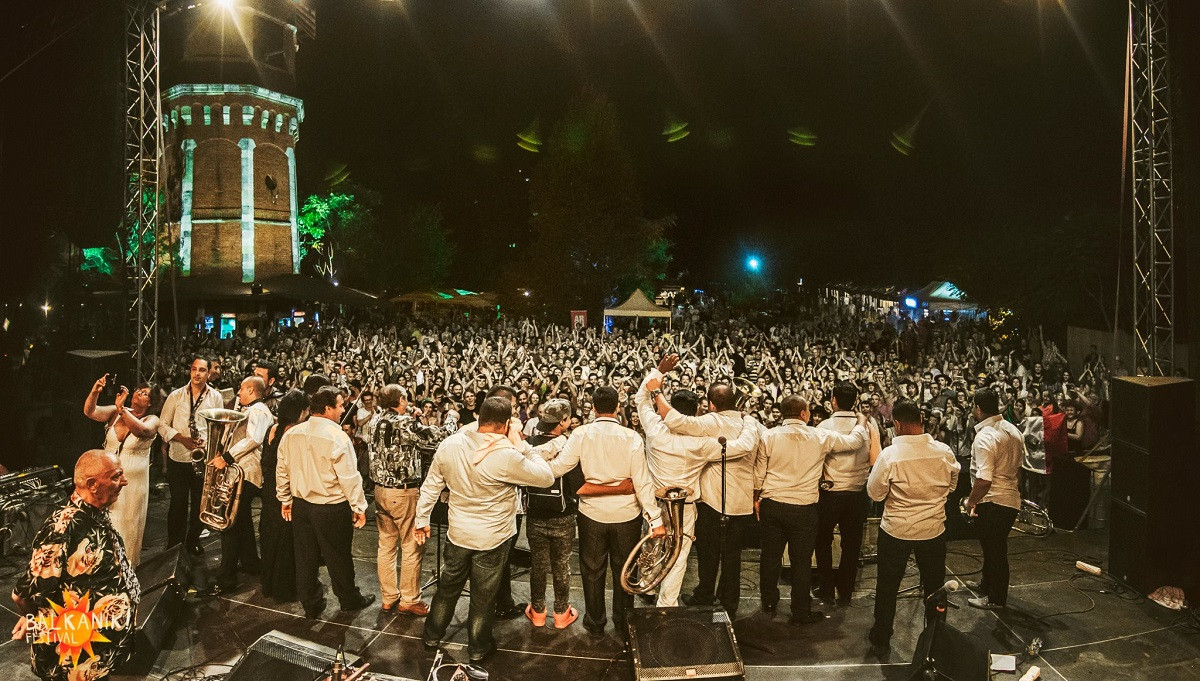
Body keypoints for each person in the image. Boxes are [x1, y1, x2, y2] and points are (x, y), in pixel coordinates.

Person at [414, 397, 556, 663]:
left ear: (479, 417)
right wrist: (523, 444)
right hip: (492, 537)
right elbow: (546, 477)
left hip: (458, 532)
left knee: (447, 588)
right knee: (483, 597)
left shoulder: (451, 444)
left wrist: (421, 518)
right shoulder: (506, 454)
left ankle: (432, 636)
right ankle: (478, 648)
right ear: (505, 425)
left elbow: (432, 485)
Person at [637, 356, 761, 608]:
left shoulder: (655, 431)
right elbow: (742, 447)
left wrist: (658, 372)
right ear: (696, 413)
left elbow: (641, 400)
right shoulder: (702, 444)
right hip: (685, 507)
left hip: (656, 503)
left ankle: (646, 587)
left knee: (652, 546)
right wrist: (747, 421)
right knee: (678, 555)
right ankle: (666, 604)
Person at [545, 386, 664, 640]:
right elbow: (642, 482)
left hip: (592, 515)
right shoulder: (631, 437)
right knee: (625, 570)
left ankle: (595, 622)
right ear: (618, 407)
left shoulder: (581, 433)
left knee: (592, 569)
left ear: (594, 408)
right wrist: (655, 518)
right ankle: (623, 623)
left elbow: (558, 468)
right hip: (626, 515)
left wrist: (533, 458)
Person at [10, 450, 140, 681]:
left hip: (101, 653)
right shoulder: (62, 529)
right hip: (75, 661)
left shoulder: (95, 512)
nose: (124, 481)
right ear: (92, 485)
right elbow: (22, 595)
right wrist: (37, 619)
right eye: (116, 476)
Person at [755, 395, 869, 625]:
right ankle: (800, 611)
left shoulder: (768, 436)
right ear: (805, 414)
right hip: (804, 507)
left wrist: (756, 498)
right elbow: (854, 442)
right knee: (801, 561)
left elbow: (759, 473)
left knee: (770, 557)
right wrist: (862, 421)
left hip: (773, 504)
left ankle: (768, 602)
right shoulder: (819, 435)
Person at [866, 400, 960, 652]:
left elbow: (875, 494)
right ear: (920, 419)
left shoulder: (890, 455)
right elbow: (952, 487)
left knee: (888, 585)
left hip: (897, 529)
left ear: (897, 424)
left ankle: (882, 635)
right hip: (932, 529)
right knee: (935, 586)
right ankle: (935, 637)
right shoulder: (944, 451)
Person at [277, 386, 375, 618]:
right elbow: (349, 477)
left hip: (301, 505)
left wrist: (285, 499)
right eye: (341, 405)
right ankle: (349, 599)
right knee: (338, 556)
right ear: (328, 408)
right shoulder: (337, 436)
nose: (343, 410)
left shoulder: (292, 433)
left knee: (305, 558)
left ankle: (310, 603)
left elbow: (282, 470)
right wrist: (359, 507)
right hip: (331, 507)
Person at [660, 379, 753, 617]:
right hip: (741, 500)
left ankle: (704, 595)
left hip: (713, 499)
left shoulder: (709, 421)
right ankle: (729, 604)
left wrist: (656, 393)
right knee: (733, 555)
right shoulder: (751, 425)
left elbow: (676, 421)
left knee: (708, 552)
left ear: (711, 404)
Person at [368, 384, 451, 615]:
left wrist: (414, 418)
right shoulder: (403, 423)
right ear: (399, 401)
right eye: (405, 398)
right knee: (412, 545)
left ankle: (388, 597)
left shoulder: (375, 421)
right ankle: (409, 599)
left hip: (380, 491)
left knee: (386, 546)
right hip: (402, 493)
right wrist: (451, 419)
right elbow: (439, 438)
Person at [203, 376, 274, 596]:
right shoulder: (250, 409)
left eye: (242, 389)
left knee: (229, 525)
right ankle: (252, 563)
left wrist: (226, 457)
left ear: (251, 389)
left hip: (247, 473)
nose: (239, 393)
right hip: (240, 471)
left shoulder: (259, 410)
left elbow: (253, 439)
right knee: (241, 521)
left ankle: (226, 579)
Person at [814, 382, 880, 606]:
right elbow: (874, 460)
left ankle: (826, 588)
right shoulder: (869, 425)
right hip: (857, 493)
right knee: (851, 545)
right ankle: (845, 590)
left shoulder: (823, 425)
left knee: (822, 540)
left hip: (830, 492)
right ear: (855, 400)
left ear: (833, 400)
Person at [85, 375, 159, 567]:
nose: (138, 394)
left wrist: (122, 410)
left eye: (145, 394)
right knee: (107, 519)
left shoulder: (153, 419)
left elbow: (142, 431)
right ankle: (104, 565)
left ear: (151, 403)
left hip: (133, 482)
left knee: (128, 523)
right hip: (108, 476)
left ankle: (126, 568)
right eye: (138, 390)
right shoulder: (114, 412)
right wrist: (95, 391)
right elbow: (90, 412)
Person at [522, 399, 583, 629]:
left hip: (536, 514)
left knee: (537, 565)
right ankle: (561, 613)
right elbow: (577, 483)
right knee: (561, 565)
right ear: (564, 421)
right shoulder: (569, 446)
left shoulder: (528, 444)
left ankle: (538, 612)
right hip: (563, 515)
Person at [963, 387, 1023, 610]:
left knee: (995, 550)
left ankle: (996, 599)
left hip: (993, 501)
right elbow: (1019, 468)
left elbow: (984, 479)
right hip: (1009, 497)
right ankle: (986, 585)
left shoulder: (984, 437)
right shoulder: (1013, 429)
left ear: (977, 409)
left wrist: (971, 502)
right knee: (990, 547)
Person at [159, 356, 225, 555]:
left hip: (203, 457)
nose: (197, 374)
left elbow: (218, 425)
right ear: (190, 371)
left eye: (202, 370)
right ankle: (174, 544)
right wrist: (181, 438)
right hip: (178, 457)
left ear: (209, 372)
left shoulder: (215, 397)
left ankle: (193, 540)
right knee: (178, 503)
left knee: (200, 502)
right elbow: (162, 425)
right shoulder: (176, 396)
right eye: (194, 369)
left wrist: (210, 445)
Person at [259, 389, 308, 602]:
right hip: (285, 491)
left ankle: (268, 584)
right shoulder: (295, 433)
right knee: (286, 542)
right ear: (300, 412)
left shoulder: (273, 429)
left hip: (268, 489)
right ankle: (283, 589)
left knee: (270, 538)